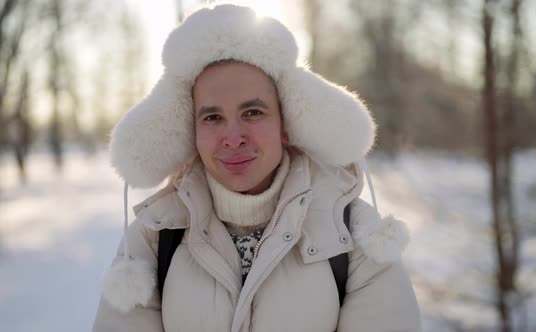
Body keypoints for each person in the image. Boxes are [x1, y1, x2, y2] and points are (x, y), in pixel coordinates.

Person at [92, 4, 421, 332]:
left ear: (286, 124)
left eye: (252, 113)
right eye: (213, 118)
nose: (233, 138)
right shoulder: (154, 237)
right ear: (192, 133)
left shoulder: (354, 235)